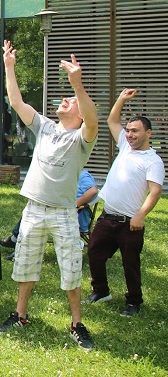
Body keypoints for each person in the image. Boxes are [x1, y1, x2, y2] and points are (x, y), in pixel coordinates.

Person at [0, 40, 98, 352]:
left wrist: (77, 83)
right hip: (34, 209)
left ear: (78, 115)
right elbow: (17, 102)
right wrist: (9, 66)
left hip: (64, 212)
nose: (65, 100)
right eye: (67, 97)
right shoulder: (46, 127)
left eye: (72, 101)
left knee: (70, 267)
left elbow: (93, 119)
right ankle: (21, 314)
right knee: (25, 263)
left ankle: (77, 323)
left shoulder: (82, 138)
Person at [85, 89, 164, 318]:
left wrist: (141, 215)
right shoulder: (125, 146)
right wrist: (120, 99)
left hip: (130, 222)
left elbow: (155, 191)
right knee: (94, 253)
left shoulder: (153, 160)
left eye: (135, 131)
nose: (129, 135)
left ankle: (133, 302)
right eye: (128, 130)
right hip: (107, 216)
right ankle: (101, 291)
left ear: (148, 133)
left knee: (130, 264)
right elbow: (112, 120)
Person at [0, 169, 99, 258]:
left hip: (71, 217)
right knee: (35, 209)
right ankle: (19, 247)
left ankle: (16, 243)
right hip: (58, 214)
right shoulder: (63, 176)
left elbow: (93, 191)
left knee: (36, 214)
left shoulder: (82, 174)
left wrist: (74, 205)